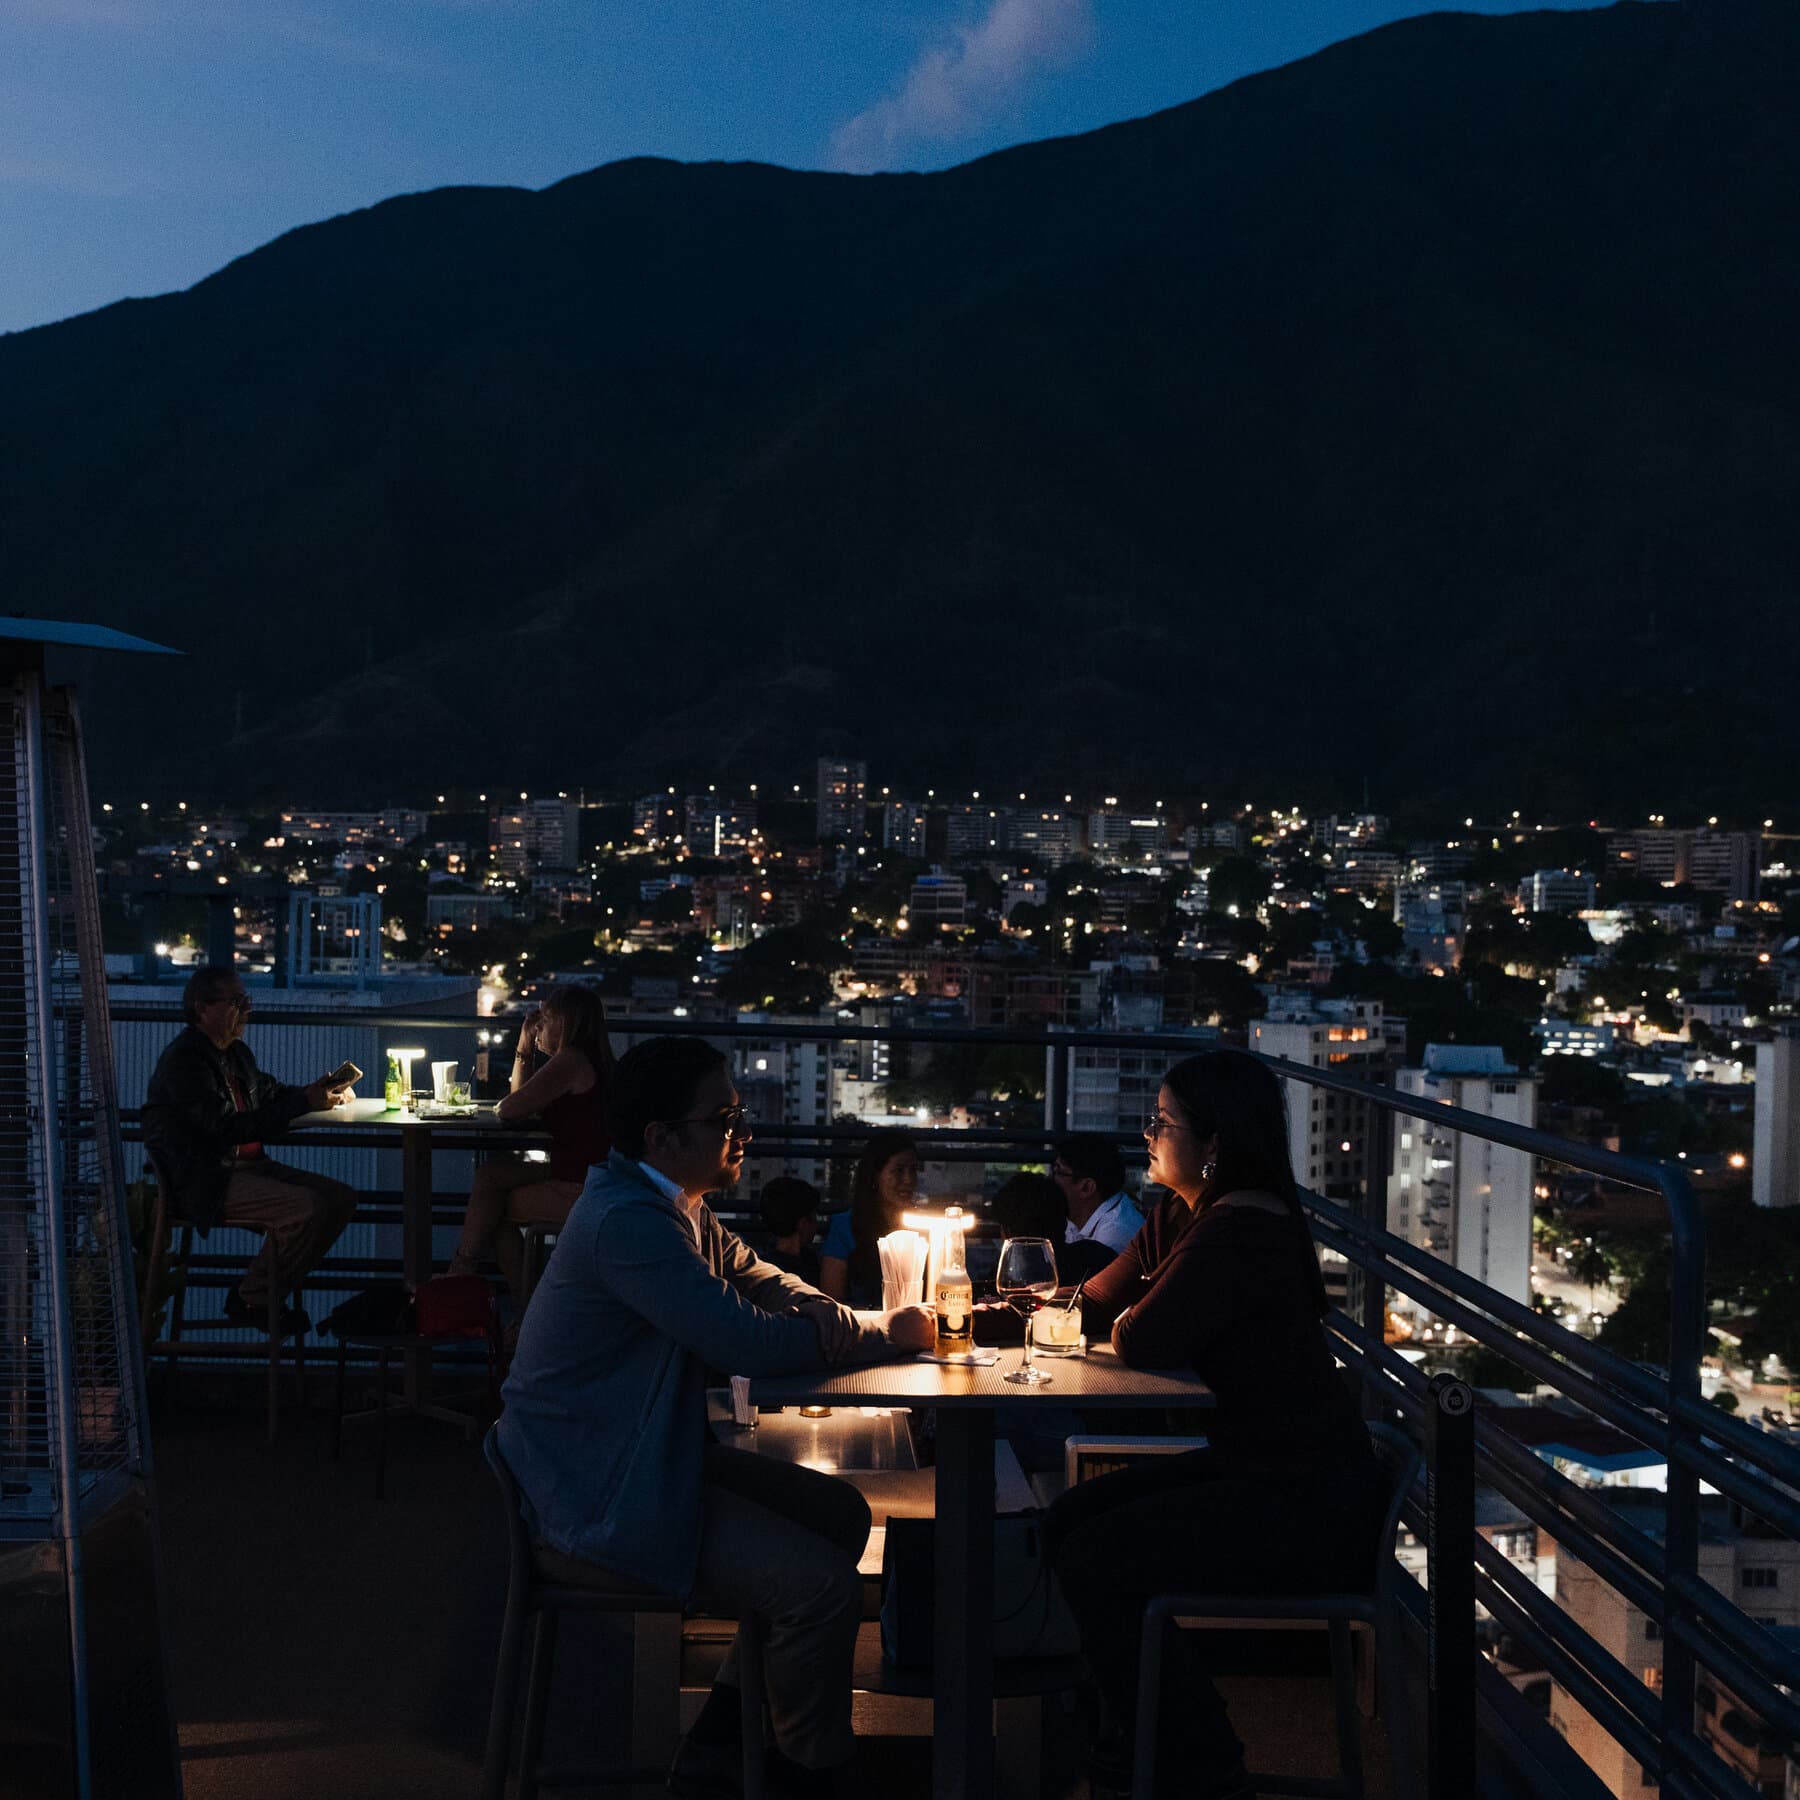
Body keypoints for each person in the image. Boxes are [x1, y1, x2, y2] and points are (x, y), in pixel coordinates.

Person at [498, 1036, 935, 1800]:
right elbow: (744, 1341)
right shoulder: (630, 1225)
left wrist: (821, 1311)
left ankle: (721, 1750)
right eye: (724, 1116)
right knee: (823, 1588)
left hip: (630, 1460)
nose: (743, 1132)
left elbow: (761, 1279)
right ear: (662, 1138)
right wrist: (878, 1332)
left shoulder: (673, 1206)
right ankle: (810, 1775)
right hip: (593, 1497)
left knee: (836, 1513)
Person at [1045, 1050, 1387, 1800]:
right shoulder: (1183, 1211)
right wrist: (1026, 1307)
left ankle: (1194, 1751)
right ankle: (1130, 1730)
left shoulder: (1243, 1228)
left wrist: (1110, 1309)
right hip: (1255, 1464)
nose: (1147, 1135)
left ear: (1216, 1143)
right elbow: (1096, 1302)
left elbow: (1140, 1337)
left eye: (1164, 1123)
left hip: (1304, 1503)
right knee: (1067, 1518)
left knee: (1092, 1558)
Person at [141, 965, 356, 1332]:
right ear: (202, 1008)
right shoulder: (185, 1062)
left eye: (246, 1001)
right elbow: (224, 1127)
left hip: (248, 1167)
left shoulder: (235, 1053)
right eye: (237, 1002)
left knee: (340, 1198)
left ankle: (268, 1294)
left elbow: (268, 1092)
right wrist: (303, 1102)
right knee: (307, 1208)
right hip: (209, 1178)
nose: (246, 1010)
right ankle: (253, 1298)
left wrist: (317, 1093)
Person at [447, 981, 613, 1304]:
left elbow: (510, 1108)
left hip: (579, 1183)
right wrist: (525, 1045)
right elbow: (519, 1102)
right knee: (490, 1178)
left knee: (494, 1208)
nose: (539, 1029)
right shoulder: (592, 1059)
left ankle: (523, 1304)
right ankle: (479, 1278)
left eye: (545, 1021)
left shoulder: (571, 1061)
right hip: (589, 1172)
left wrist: (524, 1048)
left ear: (565, 1023)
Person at [816, 1130, 919, 1306]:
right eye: (898, 1170)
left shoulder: (923, 1226)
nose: (908, 1179)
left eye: (913, 1170)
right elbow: (831, 1301)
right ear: (874, 1176)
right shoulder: (845, 1227)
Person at [1050, 1134, 1143, 1257]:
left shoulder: (1115, 1236)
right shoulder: (1078, 1216)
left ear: (1087, 1187)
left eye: (1058, 1172)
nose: (1051, 1179)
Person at [759, 1175, 822, 1285]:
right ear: (803, 1223)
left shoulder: (761, 1266)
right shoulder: (810, 1264)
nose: (817, 1224)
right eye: (815, 1215)